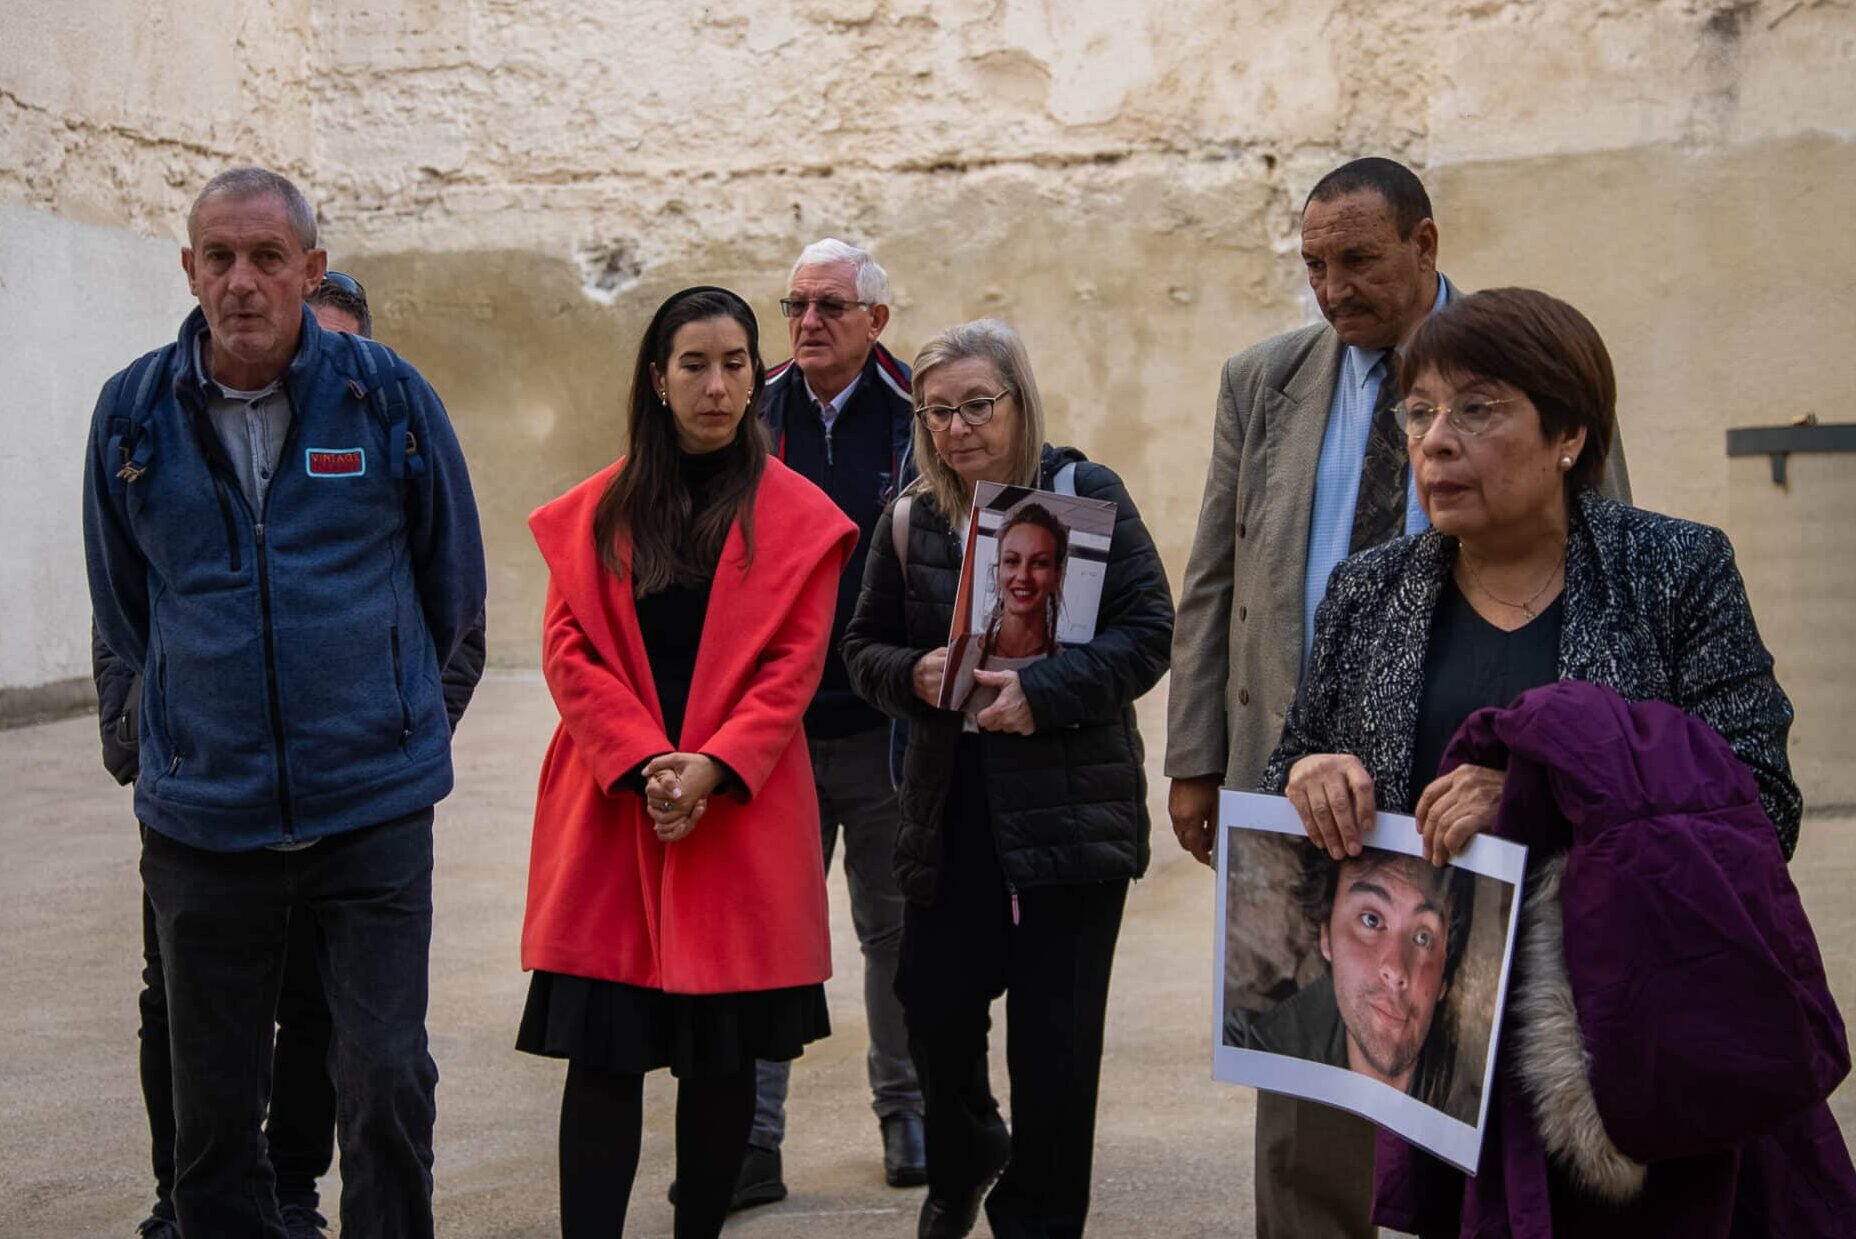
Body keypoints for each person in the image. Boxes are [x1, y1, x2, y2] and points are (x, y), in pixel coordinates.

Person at [1261, 287, 1819, 1231]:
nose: (1435, 440)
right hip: (1443, 1042)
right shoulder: (1369, 590)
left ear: (1568, 433)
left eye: (1477, 409)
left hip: (1631, 1033)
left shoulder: (1674, 571)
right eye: (1421, 410)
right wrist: (1312, 774)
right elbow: (1298, 756)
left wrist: (1544, 798)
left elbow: (1760, 804)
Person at [1164, 156, 1630, 1239]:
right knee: (1307, 1067)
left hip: (1478, 765)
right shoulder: (1263, 381)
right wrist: (1197, 754)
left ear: (1425, 244)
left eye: (1358, 261)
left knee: (1480, 1068)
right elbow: (1216, 575)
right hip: (1307, 771)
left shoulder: (1522, 359)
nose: (1333, 290)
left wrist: (1547, 758)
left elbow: (1601, 563)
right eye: (1315, 266)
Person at [81, 167, 485, 1238]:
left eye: (268, 258)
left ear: (310, 270)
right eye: (219, 256)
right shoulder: (132, 412)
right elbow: (128, 610)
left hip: (369, 813)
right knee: (211, 1114)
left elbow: (451, 585)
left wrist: (392, 721)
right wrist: (171, 732)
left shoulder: (385, 396)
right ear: (189, 270)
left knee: (386, 1079)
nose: (242, 281)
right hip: (205, 818)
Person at [516, 285, 856, 1239]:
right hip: (614, 805)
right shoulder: (596, 512)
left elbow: (795, 666)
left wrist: (710, 767)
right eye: (694, 365)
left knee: (722, 1063)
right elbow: (568, 653)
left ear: (758, 374)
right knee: (605, 1060)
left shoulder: (800, 518)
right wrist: (645, 764)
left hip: (734, 815)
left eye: (736, 363)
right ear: (657, 381)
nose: (717, 385)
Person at [843, 318, 1173, 1239]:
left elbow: (1150, 632)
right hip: (952, 814)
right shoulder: (912, 516)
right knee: (933, 1002)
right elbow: (859, 648)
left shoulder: (1083, 492)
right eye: (936, 410)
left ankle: (1038, 1220)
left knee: (1057, 1048)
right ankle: (966, 1152)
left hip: (1073, 818)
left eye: (976, 405)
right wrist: (908, 674)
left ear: (1019, 402)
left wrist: (1042, 690)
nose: (957, 427)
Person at [742, 238, 923, 1203]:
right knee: (772, 935)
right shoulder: (753, 407)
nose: (808, 323)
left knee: (894, 932)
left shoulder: (918, 413)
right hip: (774, 733)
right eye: (796, 305)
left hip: (884, 725)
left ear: (875, 321)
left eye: (830, 307)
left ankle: (907, 1112)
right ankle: (754, 1136)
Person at [1232, 847, 1473, 1115]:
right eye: (1371, 920)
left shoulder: (1482, 1109)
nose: (1395, 970)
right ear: (1327, 937)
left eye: (1423, 937)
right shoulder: (1252, 1047)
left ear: (1443, 982)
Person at [947, 502, 1070, 715]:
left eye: (1039, 563)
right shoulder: (960, 651)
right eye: (1012, 561)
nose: (1023, 577)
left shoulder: (1070, 667)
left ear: (1056, 577)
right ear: (998, 572)